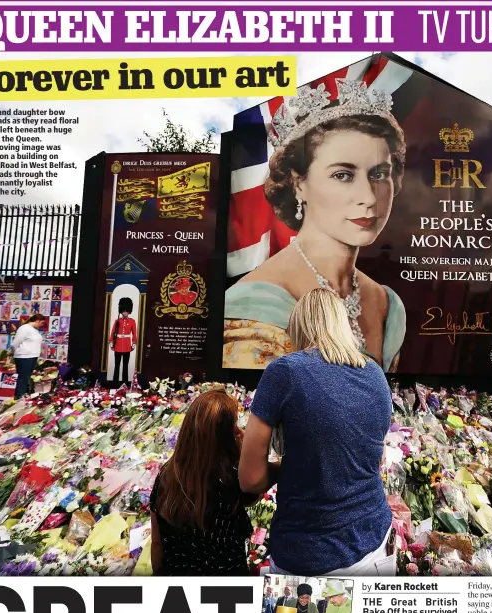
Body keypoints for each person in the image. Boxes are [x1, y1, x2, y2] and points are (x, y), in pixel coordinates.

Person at [223, 78, 406, 372]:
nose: (368, 197)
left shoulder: (387, 304)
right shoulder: (252, 306)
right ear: (298, 184)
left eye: (379, 174)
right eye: (343, 175)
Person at [239, 288, 392, 576]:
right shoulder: (376, 374)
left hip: (309, 555)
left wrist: (290, 465)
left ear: (298, 327)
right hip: (376, 541)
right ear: (342, 324)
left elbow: (250, 479)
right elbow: (375, 457)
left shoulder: (285, 372)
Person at [150, 389, 256, 576]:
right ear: (228, 435)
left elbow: (157, 543)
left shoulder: (167, 476)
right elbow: (254, 490)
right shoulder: (232, 481)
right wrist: (246, 448)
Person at [11, 313, 46, 399]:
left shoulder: (34, 330)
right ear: (37, 321)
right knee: (22, 377)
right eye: (41, 323)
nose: (42, 325)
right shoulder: (24, 328)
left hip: (32, 356)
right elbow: (15, 342)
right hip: (24, 356)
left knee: (27, 377)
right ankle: (19, 396)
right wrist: (12, 352)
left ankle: (24, 394)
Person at [109, 296, 137, 386]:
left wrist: (134, 343)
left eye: (126, 311)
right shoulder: (117, 321)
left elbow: (134, 333)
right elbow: (113, 332)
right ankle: (115, 382)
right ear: (121, 311)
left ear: (129, 311)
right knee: (116, 365)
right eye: (124, 311)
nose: (125, 313)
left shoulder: (132, 321)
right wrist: (111, 342)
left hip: (127, 345)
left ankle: (124, 383)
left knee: (125, 365)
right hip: (117, 345)